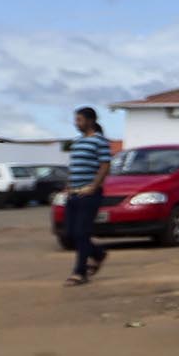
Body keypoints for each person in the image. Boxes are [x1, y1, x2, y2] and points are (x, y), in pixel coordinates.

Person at [63, 107, 112, 285]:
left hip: (89, 194)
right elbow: (73, 166)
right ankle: (98, 253)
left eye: (80, 120)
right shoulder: (76, 142)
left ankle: (79, 272)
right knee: (70, 234)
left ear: (90, 121)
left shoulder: (99, 141)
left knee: (82, 233)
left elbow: (105, 165)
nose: (77, 123)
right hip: (74, 193)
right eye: (76, 120)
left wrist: (93, 186)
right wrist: (68, 186)